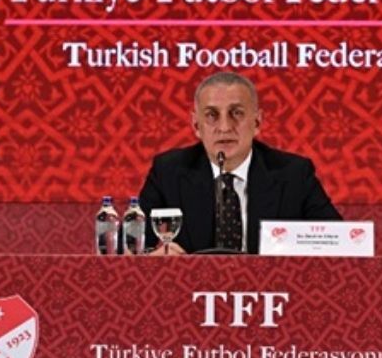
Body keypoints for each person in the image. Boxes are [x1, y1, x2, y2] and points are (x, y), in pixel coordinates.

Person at [139, 72, 341, 255]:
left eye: (236, 113)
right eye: (212, 115)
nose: (225, 127)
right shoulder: (169, 172)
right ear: (196, 125)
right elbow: (131, 246)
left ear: (257, 122)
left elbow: (338, 243)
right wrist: (152, 257)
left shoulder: (293, 174)